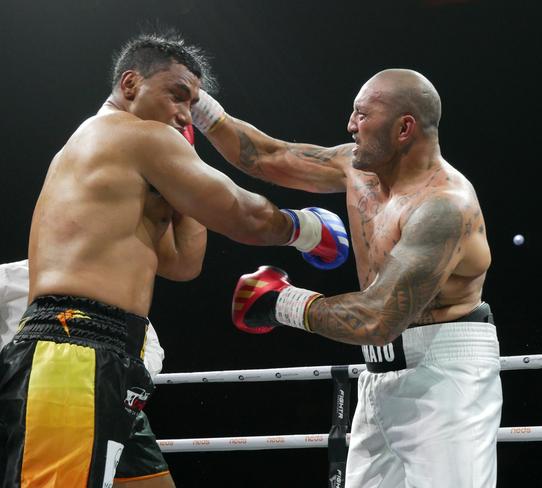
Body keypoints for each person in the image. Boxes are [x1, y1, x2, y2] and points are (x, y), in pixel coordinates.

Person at [0, 31, 349, 488]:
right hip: (73, 351)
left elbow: (183, 263)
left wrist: (185, 177)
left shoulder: (115, 155)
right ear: (130, 85)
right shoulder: (126, 133)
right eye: (176, 95)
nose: (184, 113)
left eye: (191, 103)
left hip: (108, 355)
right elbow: (240, 213)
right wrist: (305, 229)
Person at [191, 68, 502, 488]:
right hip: (376, 376)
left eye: (361, 115)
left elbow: (378, 320)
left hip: (444, 380)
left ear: (404, 128)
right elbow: (263, 156)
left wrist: (282, 302)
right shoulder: (355, 168)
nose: (350, 125)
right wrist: (196, 103)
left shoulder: (443, 207)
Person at [0, 259, 171, 487]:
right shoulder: (12, 275)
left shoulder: (112, 288)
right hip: (34, 391)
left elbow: (150, 345)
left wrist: (122, 384)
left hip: (110, 391)